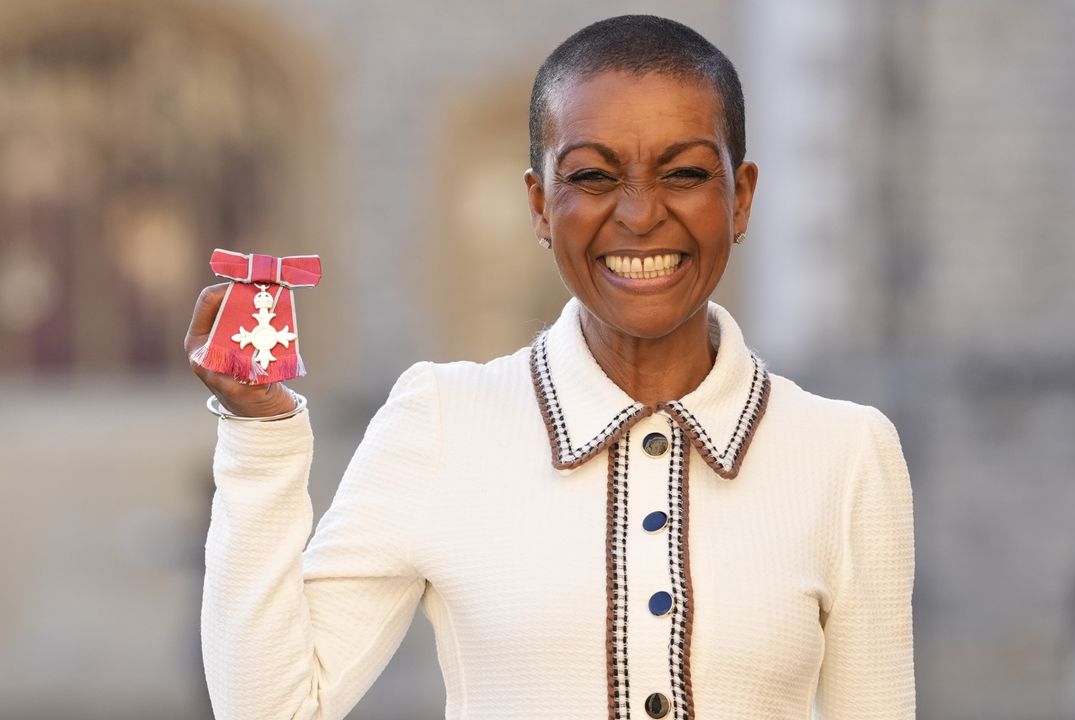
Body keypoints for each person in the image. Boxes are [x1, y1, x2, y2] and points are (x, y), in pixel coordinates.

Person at [186, 15, 915, 720]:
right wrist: (260, 442)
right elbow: (269, 710)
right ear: (539, 205)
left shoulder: (845, 454)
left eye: (685, 172)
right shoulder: (443, 422)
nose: (638, 214)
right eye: (593, 177)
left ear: (742, 198)